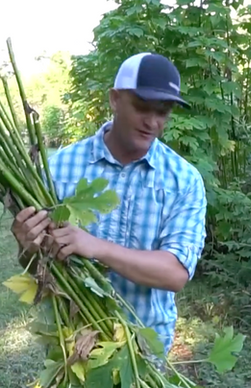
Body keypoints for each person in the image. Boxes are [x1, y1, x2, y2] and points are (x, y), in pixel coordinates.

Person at [11, 52, 207, 357]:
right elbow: (38, 266)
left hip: (146, 347)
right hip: (72, 339)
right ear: (115, 99)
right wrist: (27, 245)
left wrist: (95, 247)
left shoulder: (183, 180)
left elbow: (175, 274)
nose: (152, 122)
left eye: (164, 112)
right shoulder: (58, 169)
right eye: (142, 107)